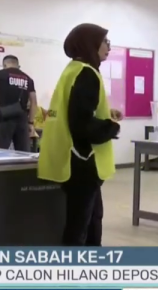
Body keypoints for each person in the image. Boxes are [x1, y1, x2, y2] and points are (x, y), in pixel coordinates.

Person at [38, 23, 121, 247]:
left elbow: (74, 110)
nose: (108, 47)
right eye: (105, 42)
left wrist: (106, 114)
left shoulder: (72, 70)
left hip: (71, 158)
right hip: (83, 160)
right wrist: (111, 128)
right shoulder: (87, 74)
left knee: (90, 219)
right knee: (80, 225)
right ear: (90, 44)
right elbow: (82, 124)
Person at [0, 55, 37, 151]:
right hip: (22, 119)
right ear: (18, 65)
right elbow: (34, 102)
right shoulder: (28, 79)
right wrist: (30, 123)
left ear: (4, 65)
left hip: (3, 118)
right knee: (23, 154)